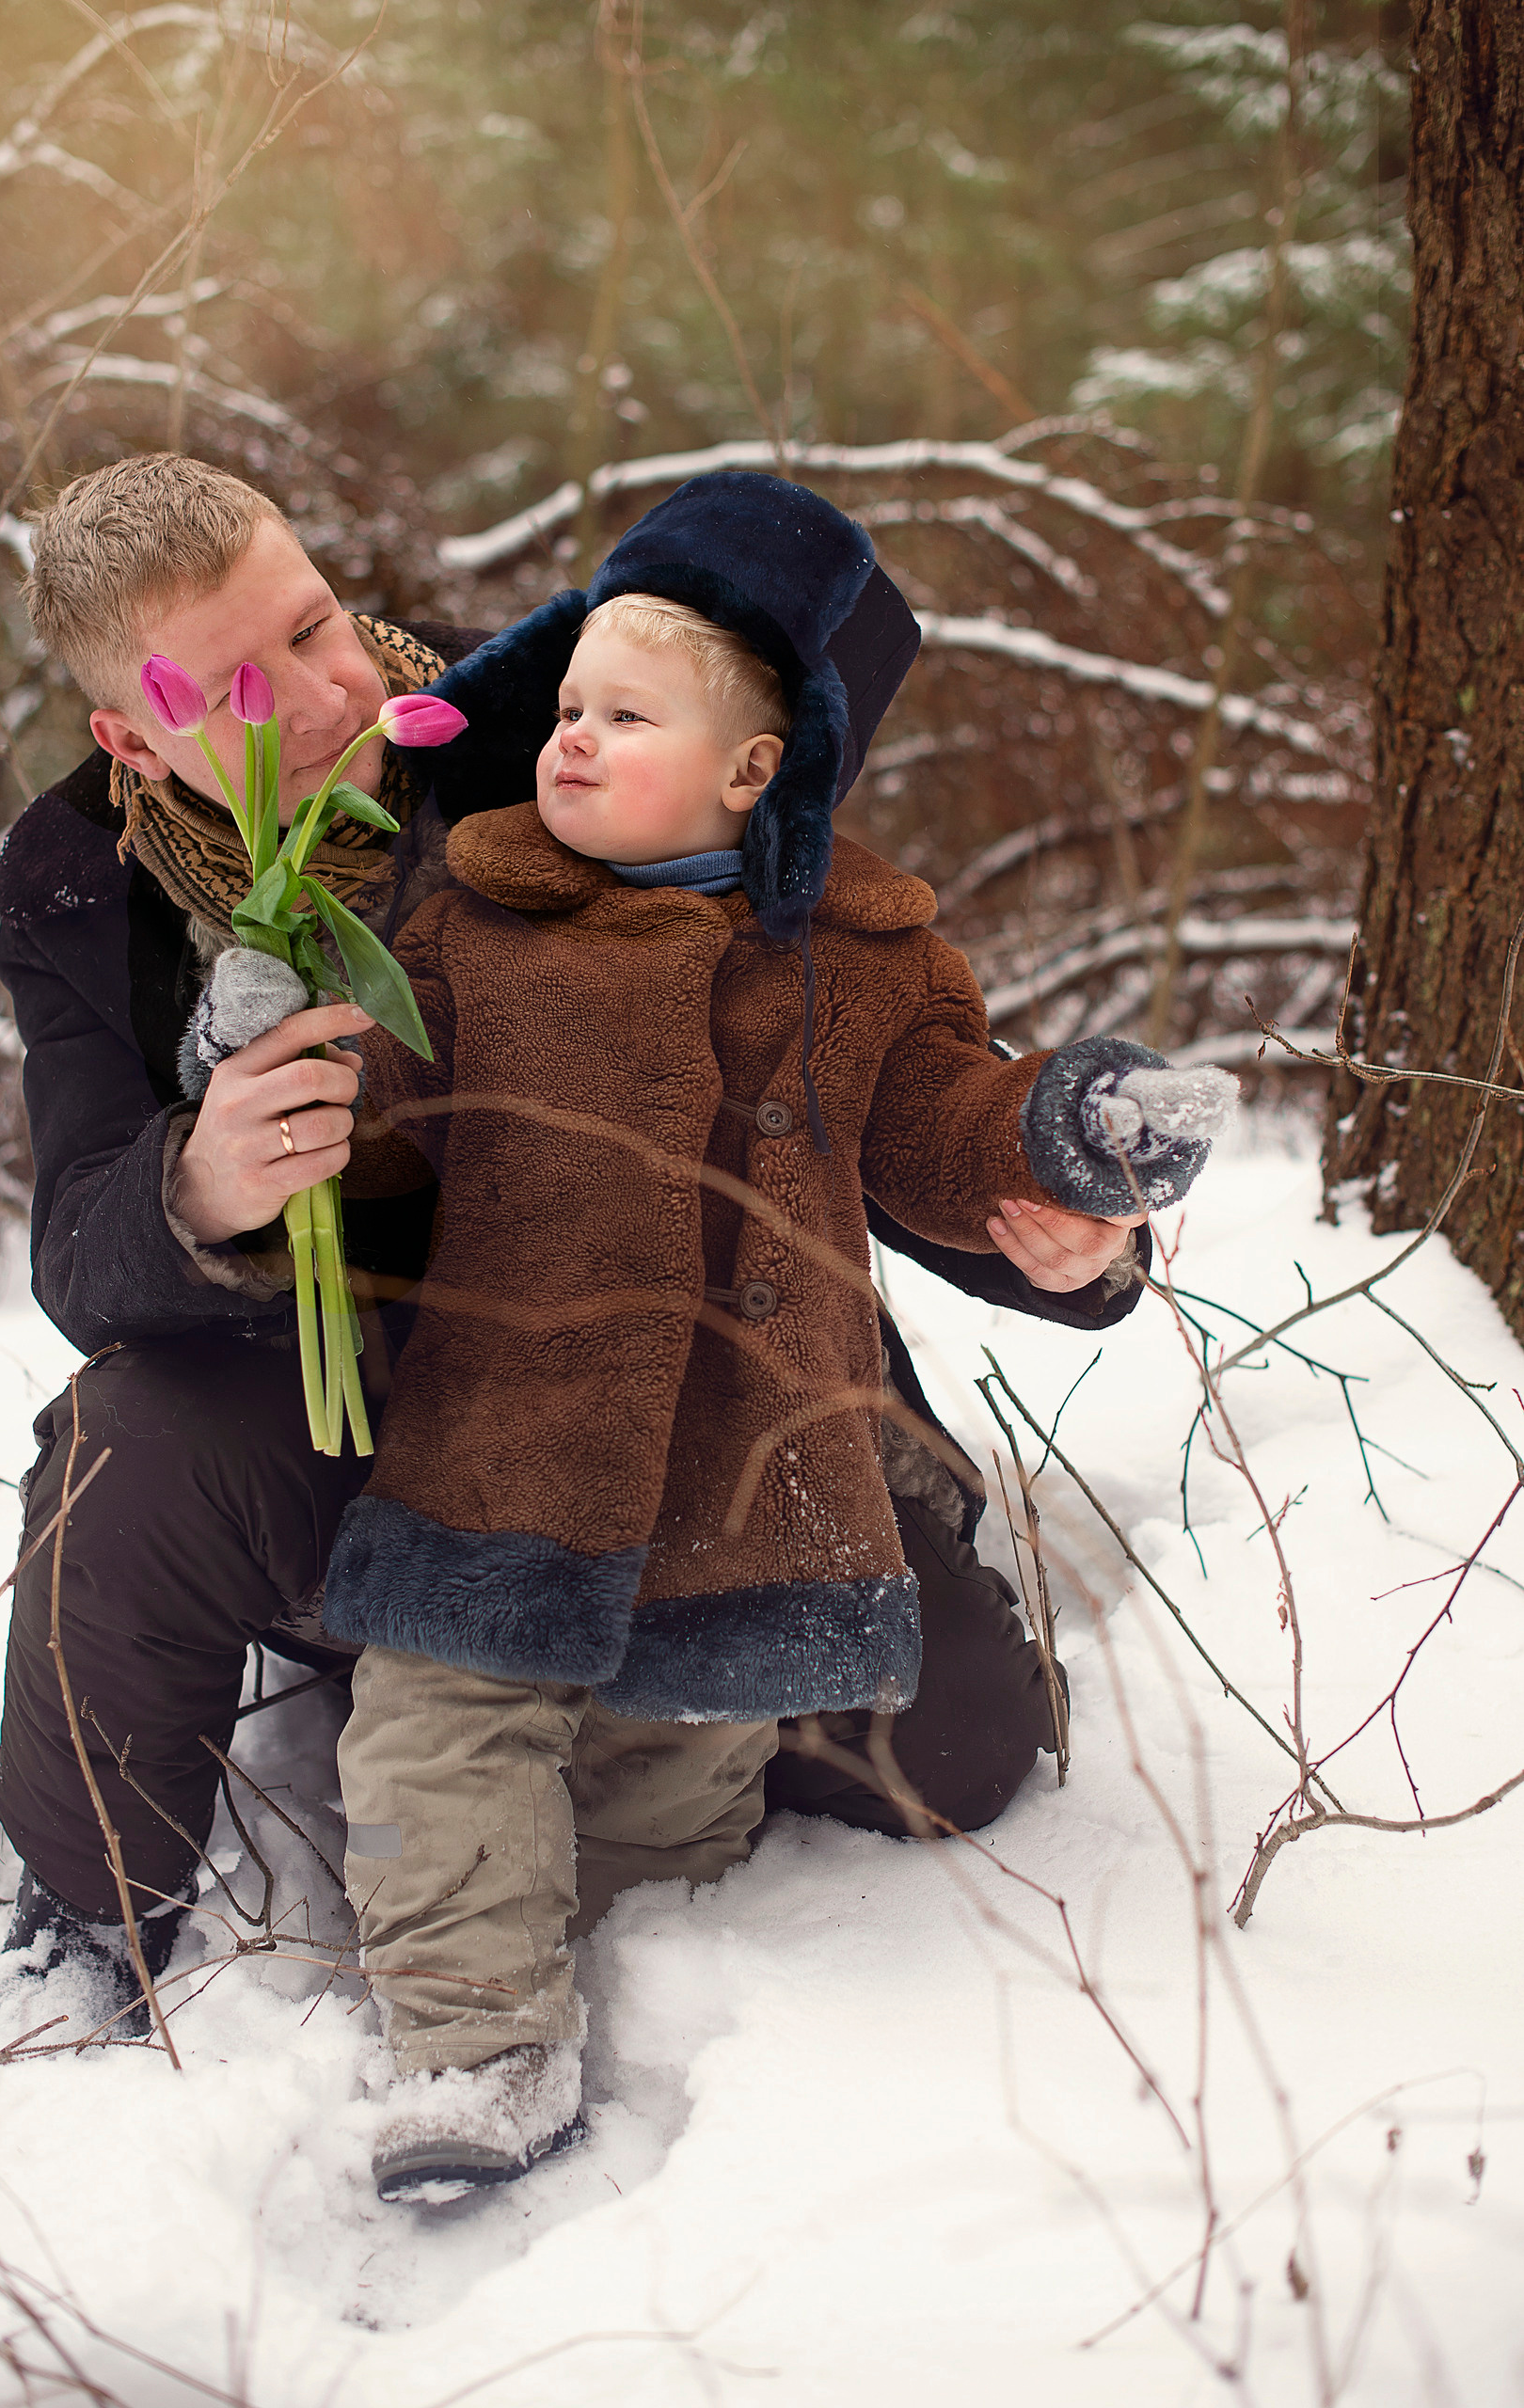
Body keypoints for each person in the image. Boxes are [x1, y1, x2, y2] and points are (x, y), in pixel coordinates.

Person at [0, 456, 1158, 2035]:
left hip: (678, 1373)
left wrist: (1054, 1236)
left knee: (950, 1755)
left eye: (321, 625)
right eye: (241, 689)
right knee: (126, 1445)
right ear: (131, 738)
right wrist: (194, 1190)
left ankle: (621, 1684)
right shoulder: (81, 879)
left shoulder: (541, 733)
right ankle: (88, 1934)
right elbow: (74, 1249)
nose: (326, 695)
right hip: (343, 1412)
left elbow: (820, 1048)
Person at [258, 470, 1232, 2201]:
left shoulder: (861, 965)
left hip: (749, 1472)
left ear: (757, 767)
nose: (563, 741)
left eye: (621, 718)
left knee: (676, 1772)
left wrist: (1071, 1141)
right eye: (563, 704)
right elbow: (386, 1110)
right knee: (435, 1730)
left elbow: (942, 1126)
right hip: (503, 1442)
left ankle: (632, 1951)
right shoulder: (474, 921)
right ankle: (474, 2047)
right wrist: (291, 1058)